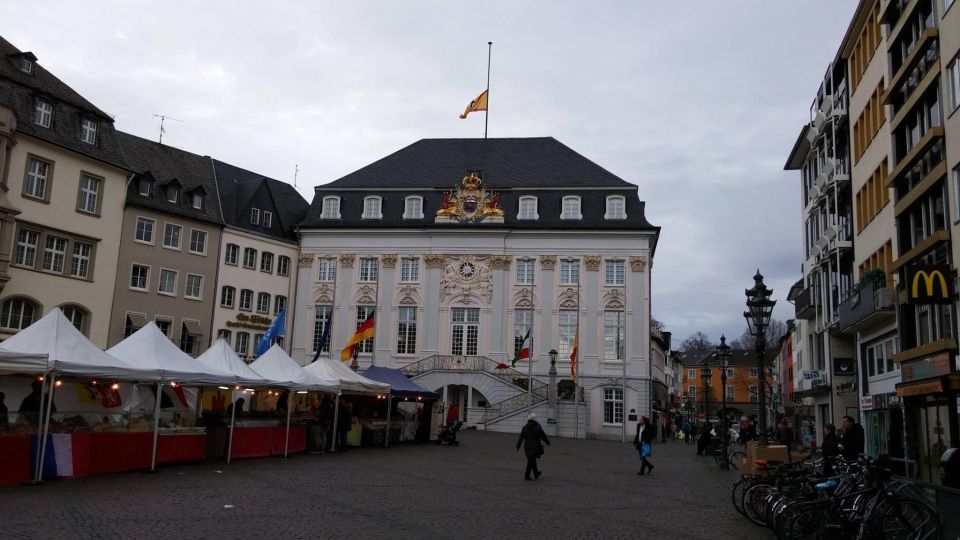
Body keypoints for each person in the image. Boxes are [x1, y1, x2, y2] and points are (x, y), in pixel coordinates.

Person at [516, 413, 550, 481]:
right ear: (535, 419)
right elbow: (543, 436)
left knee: (532, 460)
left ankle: (536, 473)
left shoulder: (525, 427)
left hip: (527, 447)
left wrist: (518, 446)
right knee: (531, 461)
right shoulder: (538, 427)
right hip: (535, 447)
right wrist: (548, 442)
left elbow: (521, 438)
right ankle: (527, 476)